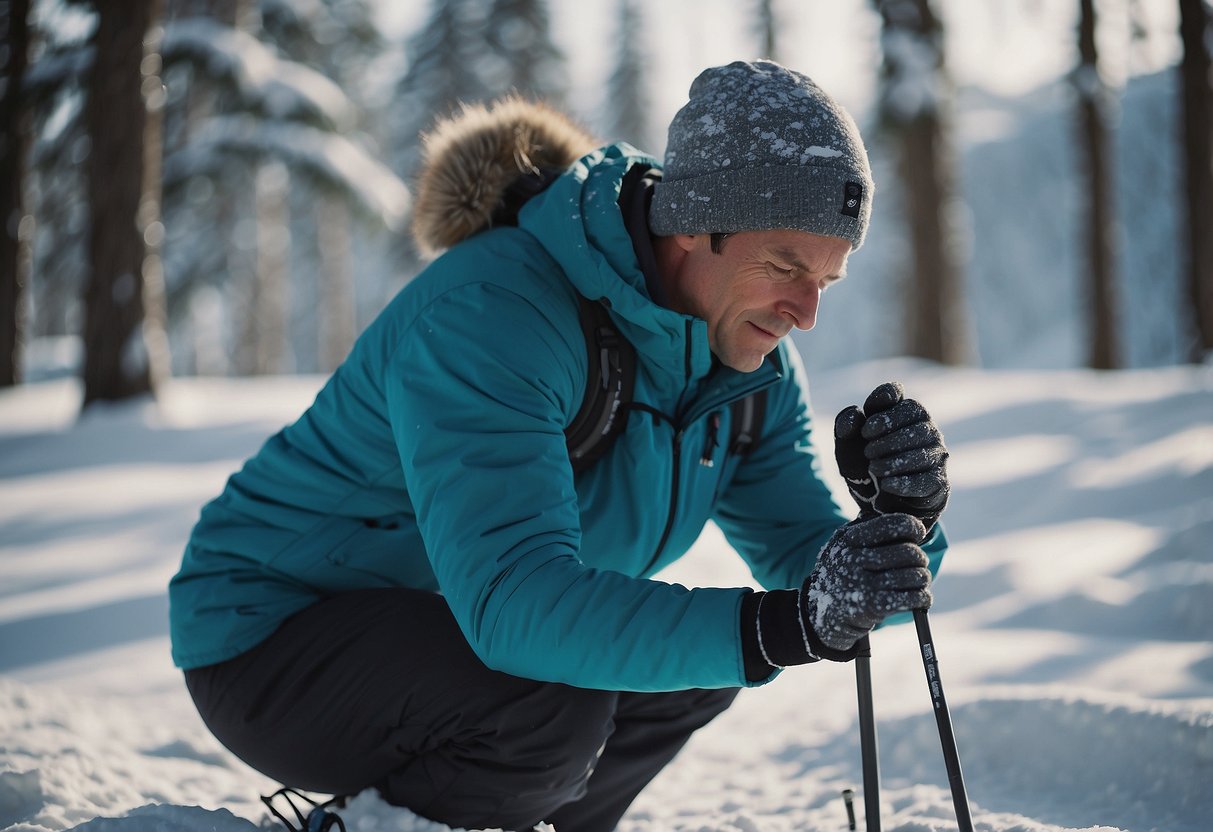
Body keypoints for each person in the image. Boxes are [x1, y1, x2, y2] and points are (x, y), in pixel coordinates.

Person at [169, 60, 951, 832]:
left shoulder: (749, 365)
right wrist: (777, 626)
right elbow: (513, 604)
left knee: (692, 669)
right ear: (690, 224)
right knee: (553, 702)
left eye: (826, 279)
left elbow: (813, 578)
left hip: (449, 623)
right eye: (784, 266)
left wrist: (898, 525)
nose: (805, 313)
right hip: (272, 634)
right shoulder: (494, 312)